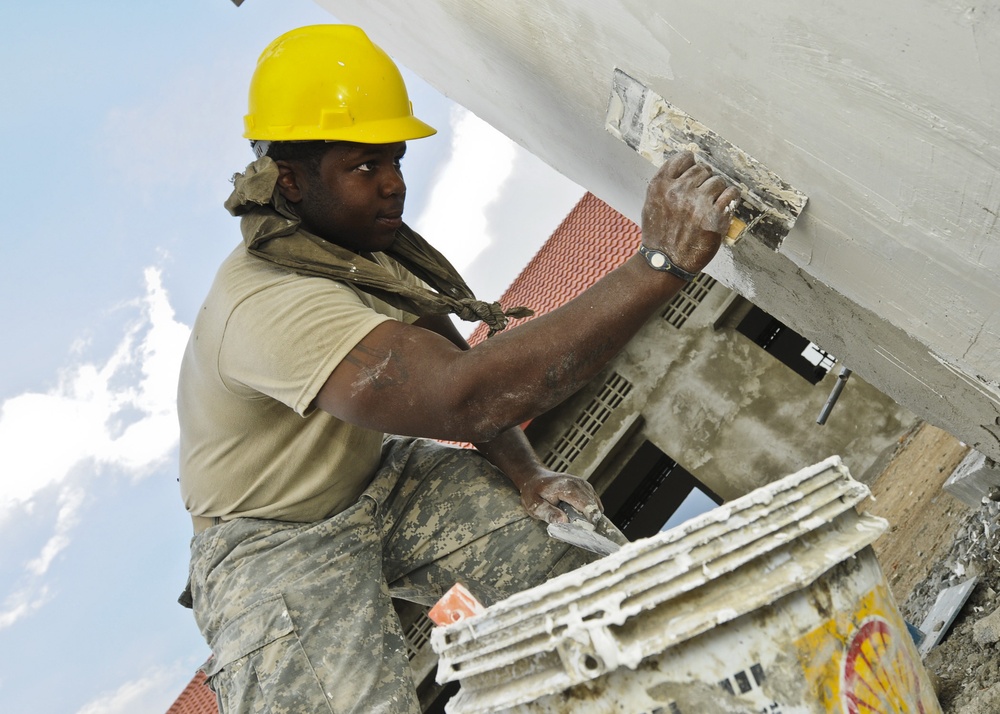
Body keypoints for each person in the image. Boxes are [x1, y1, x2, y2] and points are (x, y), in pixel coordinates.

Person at [177, 24, 739, 714]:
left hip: (379, 479)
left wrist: (527, 475)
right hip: (270, 540)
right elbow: (462, 397)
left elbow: (451, 359)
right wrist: (658, 264)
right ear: (289, 183)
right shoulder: (265, 305)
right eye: (363, 167)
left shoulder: (359, 248)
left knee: (573, 564)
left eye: (396, 161)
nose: (391, 187)